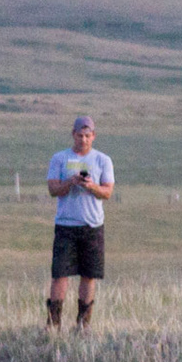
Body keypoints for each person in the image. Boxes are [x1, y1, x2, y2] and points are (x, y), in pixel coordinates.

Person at [45, 115, 114, 330]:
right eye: (79, 135)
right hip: (66, 225)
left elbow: (107, 192)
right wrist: (70, 182)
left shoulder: (103, 160)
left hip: (92, 225)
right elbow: (53, 190)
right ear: (73, 134)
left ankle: (83, 324)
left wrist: (91, 186)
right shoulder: (60, 158)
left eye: (87, 136)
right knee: (60, 275)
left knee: (89, 275)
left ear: (93, 136)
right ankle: (53, 324)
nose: (83, 140)